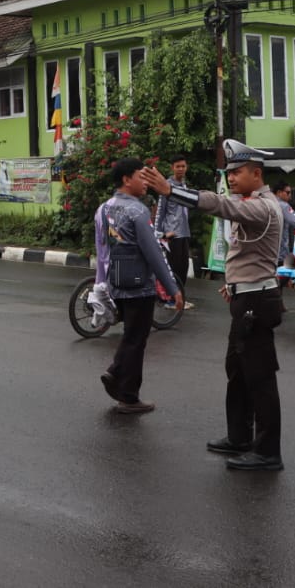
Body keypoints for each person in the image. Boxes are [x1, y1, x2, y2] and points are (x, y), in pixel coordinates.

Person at [145, 140, 285, 471]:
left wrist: (171, 191)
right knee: (237, 371)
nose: (231, 179)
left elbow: (220, 205)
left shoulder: (263, 206)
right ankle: (239, 436)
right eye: (229, 173)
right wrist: (233, 284)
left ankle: (268, 452)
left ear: (256, 173)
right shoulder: (250, 201)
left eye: (237, 173)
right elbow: (247, 253)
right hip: (244, 296)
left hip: (256, 301)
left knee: (260, 377)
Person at [96, 158, 182, 414]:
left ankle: (115, 373)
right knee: (137, 340)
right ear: (126, 180)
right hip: (139, 286)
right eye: (140, 177)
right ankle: (129, 397)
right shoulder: (138, 211)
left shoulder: (103, 209)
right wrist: (172, 288)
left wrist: (103, 284)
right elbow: (153, 253)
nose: (146, 183)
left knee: (131, 335)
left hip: (117, 282)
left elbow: (102, 250)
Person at [154, 155, 192, 296]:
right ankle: (170, 298)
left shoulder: (184, 186)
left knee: (184, 267)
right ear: (172, 168)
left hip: (184, 232)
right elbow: (160, 212)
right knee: (173, 268)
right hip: (171, 234)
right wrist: (158, 235)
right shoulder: (166, 187)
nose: (181, 169)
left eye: (183, 166)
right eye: (178, 166)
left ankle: (179, 298)